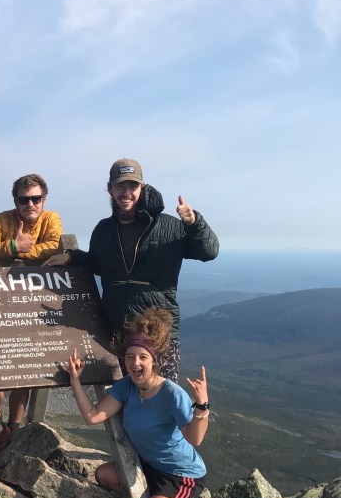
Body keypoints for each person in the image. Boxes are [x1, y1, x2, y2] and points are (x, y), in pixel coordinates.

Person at [46, 158, 219, 381]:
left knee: (160, 397)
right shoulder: (104, 230)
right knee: (125, 397)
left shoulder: (168, 225)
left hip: (159, 330)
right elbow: (100, 265)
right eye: (120, 186)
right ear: (109, 189)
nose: (126, 192)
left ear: (142, 188)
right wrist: (72, 257)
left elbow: (209, 252)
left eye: (132, 186)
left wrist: (195, 223)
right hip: (118, 330)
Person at [66, 307, 222, 498]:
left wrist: (201, 407)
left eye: (142, 357)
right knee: (104, 476)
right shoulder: (127, 386)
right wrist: (75, 380)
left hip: (180, 475)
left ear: (154, 360)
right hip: (149, 466)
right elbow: (93, 416)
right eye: (130, 357)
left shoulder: (172, 394)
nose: (135, 363)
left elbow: (194, 439)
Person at [0, 173, 62, 456]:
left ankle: (15, 427)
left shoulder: (51, 219)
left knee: (25, 365)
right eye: (24, 199)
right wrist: (12, 246)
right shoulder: (2, 219)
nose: (30, 204)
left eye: (36, 198)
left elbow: (55, 244)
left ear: (44, 200)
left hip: (32, 304)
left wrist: (21, 251)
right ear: (16, 201)